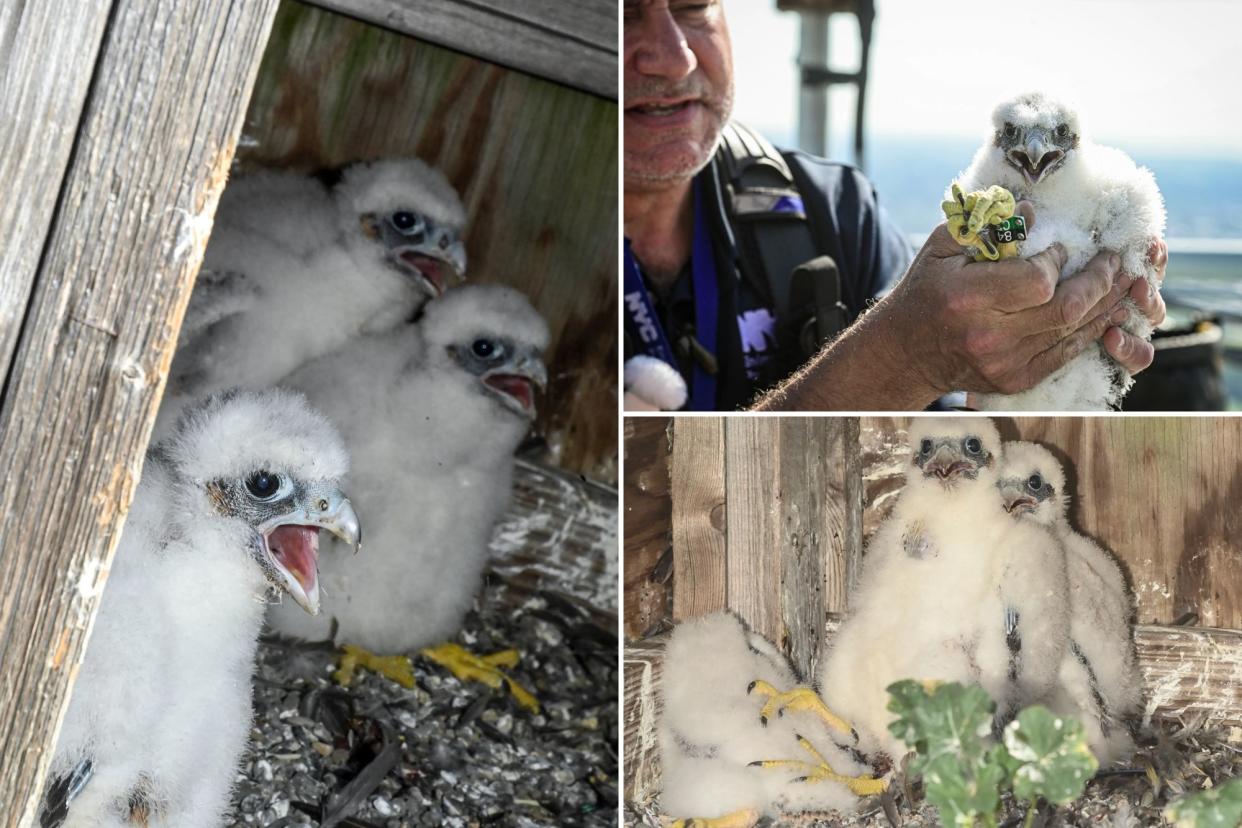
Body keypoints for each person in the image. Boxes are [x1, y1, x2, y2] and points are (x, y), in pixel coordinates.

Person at [622, 0, 1165, 412]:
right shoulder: (538, 260)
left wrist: (1007, 392)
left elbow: (937, 449)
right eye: (623, 13)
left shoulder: (834, 211)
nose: (674, 58)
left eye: (692, 5)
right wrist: (907, 357)